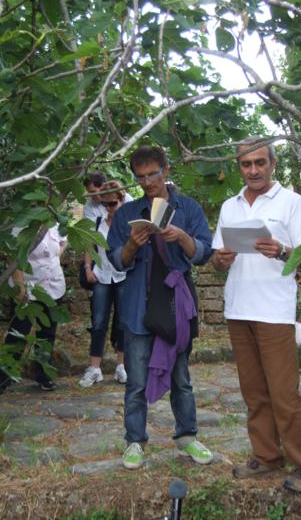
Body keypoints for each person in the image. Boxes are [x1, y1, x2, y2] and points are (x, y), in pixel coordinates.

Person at [211, 137, 301, 493]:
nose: (254, 170)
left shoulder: (291, 202)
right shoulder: (229, 206)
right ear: (239, 167)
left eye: (260, 162)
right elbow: (217, 260)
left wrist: (283, 250)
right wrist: (220, 259)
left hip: (274, 310)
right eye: (246, 164)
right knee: (254, 392)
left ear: (272, 163)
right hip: (238, 307)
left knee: (284, 394)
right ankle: (266, 456)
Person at [107, 145, 213, 470]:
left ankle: (187, 436)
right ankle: (135, 441)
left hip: (175, 305)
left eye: (153, 174)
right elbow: (117, 261)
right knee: (136, 381)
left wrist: (181, 237)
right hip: (138, 306)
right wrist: (131, 245)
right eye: (140, 177)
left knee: (181, 377)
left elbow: (204, 253)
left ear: (166, 170)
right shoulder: (127, 213)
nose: (148, 182)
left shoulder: (187, 208)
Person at [0, 226, 67, 393]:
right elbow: (13, 256)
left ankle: (43, 374)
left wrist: (54, 259)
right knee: (19, 333)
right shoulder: (21, 227)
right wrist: (20, 285)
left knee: (47, 334)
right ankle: (4, 376)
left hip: (53, 285)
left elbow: (63, 241)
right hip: (29, 286)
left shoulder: (55, 224)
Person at [79, 181, 128, 388]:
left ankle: (122, 366)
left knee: (123, 322)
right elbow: (89, 247)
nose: (109, 208)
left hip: (123, 277)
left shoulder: (128, 224)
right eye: (106, 204)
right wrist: (88, 269)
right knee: (98, 322)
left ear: (121, 200)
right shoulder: (98, 222)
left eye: (113, 203)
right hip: (101, 276)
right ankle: (94, 368)